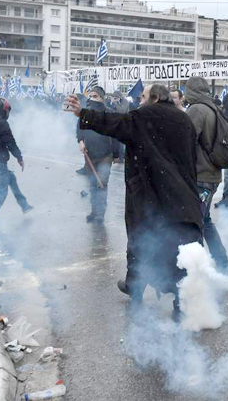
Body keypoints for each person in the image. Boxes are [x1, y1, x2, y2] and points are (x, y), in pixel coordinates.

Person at [64, 85, 202, 317]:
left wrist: (83, 114)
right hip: (181, 194)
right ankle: (182, 300)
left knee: (141, 239)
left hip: (150, 192)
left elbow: (115, 123)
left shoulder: (144, 116)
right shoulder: (184, 120)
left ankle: (135, 287)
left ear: (155, 98)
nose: (139, 101)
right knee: (180, 247)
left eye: (143, 97)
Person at [185, 77, 228, 274]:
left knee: (195, 224)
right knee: (204, 221)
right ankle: (223, 266)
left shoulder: (196, 110)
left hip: (201, 175)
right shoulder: (213, 108)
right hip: (211, 173)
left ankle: (197, 272)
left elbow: (186, 141)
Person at [77, 86, 120, 223]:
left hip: (105, 154)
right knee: (92, 183)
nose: (92, 98)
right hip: (89, 153)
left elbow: (116, 135)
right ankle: (94, 211)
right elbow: (79, 129)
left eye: (95, 96)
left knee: (101, 183)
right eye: (91, 96)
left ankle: (100, 213)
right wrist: (80, 141)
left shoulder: (109, 113)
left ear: (102, 98)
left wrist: (116, 154)